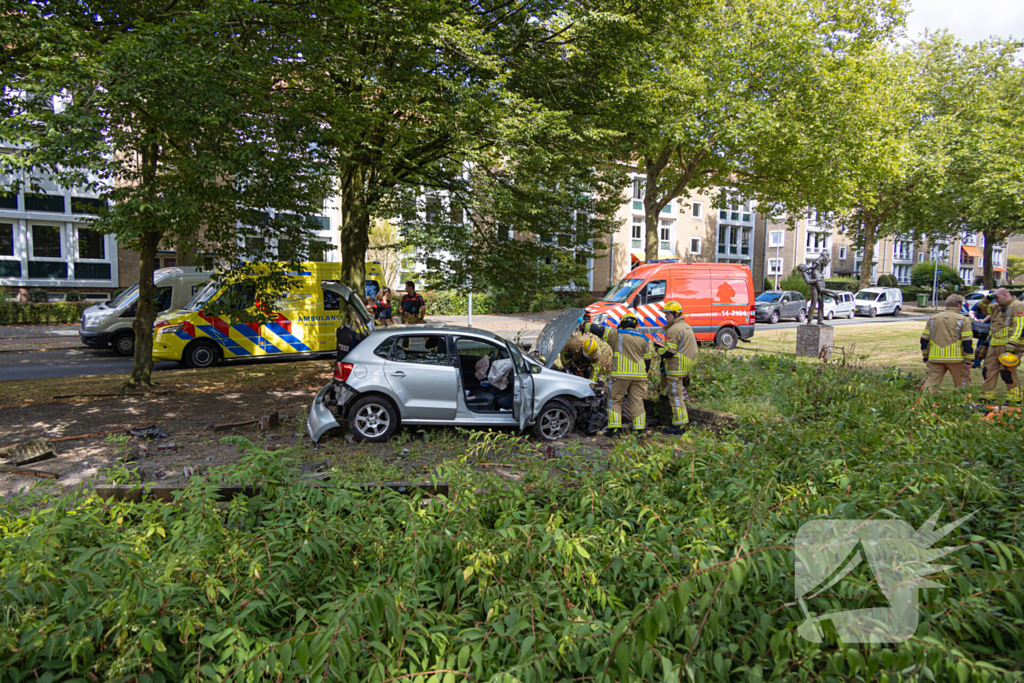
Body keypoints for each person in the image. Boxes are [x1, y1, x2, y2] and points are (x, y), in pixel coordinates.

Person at [582, 311, 653, 438]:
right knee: (637, 402)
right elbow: (647, 361)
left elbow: (598, 330)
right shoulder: (644, 339)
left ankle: (615, 430)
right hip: (640, 377)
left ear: (623, 324)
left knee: (615, 401)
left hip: (620, 375)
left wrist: (584, 323)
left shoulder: (617, 334)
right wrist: (643, 375)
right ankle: (639, 431)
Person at [656, 300, 698, 435]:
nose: (665, 317)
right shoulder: (686, 326)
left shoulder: (673, 329)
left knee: (675, 396)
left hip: (677, 367)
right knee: (674, 393)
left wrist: (658, 349)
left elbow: (670, 352)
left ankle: (679, 426)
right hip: (686, 365)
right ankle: (664, 396)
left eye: (667, 314)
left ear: (675, 314)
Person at [920, 294, 973, 394]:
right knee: (962, 385)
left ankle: (924, 405)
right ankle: (963, 405)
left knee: (931, 384)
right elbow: (967, 342)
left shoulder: (933, 319)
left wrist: (926, 356)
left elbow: (924, 339)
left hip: (935, 357)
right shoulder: (963, 320)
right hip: (956, 359)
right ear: (958, 305)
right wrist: (969, 360)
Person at [980, 288, 1024, 405]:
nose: (995, 300)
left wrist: (1013, 344)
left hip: (1009, 346)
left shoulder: (1018, 306)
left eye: (997, 297)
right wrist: (987, 299)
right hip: (994, 345)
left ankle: (1014, 399)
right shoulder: (996, 307)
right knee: (988, 370)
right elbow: (981, 309)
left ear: (1005, 295)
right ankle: (987, 397)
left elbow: (1020, 326)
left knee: (1008, 373)